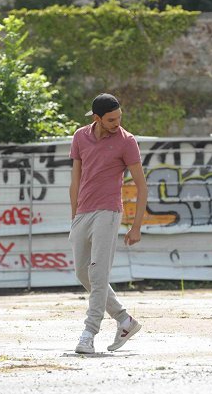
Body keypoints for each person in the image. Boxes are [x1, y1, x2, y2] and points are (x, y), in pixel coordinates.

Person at [69, 93, 148, 354]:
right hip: (83, 212)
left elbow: (141, 185)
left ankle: (89, 333)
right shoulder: (80, 136)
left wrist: (136, 226)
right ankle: (125, 320)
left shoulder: (127, 141)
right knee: (83, 272)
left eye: (119, 118)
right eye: (111, 119)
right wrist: (74, 216)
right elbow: (75, 180)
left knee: (98, 274)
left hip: (108, 211)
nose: (117, 123)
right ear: (97, 118)